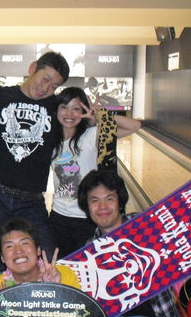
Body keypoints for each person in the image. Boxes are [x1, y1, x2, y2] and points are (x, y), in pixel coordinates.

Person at [77, 169, 183, 317]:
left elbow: (187, 222)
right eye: (94, 201)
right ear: (87, 207)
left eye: (109, 198)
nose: (102, 206)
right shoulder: (89, 250)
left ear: (120, 201)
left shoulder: (145, 226)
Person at [0, 52, 70, 273]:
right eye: (46, 79)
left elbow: (81, 120)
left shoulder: (56, 106)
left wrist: (97, 117)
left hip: (32, 200)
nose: (46, 88)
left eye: (54, 86)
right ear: (32, 68)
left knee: (49, 259)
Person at [49, 87, 141, 257]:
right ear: (57, 110)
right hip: (59, 216)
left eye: (76, 108)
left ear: (83, 111)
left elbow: (134, 126)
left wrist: (101, 116)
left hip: (89, 217)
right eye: (64, 107)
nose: (69, 113)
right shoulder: (51, 141)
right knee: (64, 267)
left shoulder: (92, 135)